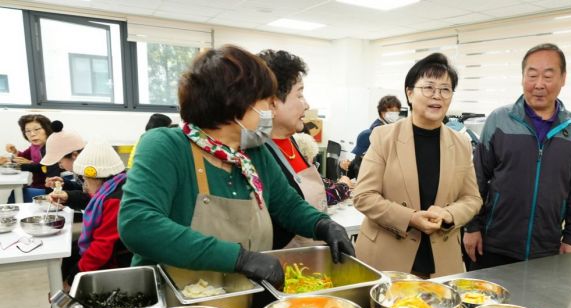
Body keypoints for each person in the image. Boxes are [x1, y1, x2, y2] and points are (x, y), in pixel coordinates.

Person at [118, 45, 353, 288]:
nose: (272, 110)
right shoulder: (165, 145)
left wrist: (323, 225)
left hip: (239, 296)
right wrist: (239, 258)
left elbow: (288, 205)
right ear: (236, 103)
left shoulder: (254, 153)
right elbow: (138, 223)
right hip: (175, 304)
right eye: (267, 101)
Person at [353, 53, 482, 278]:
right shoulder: (384, 137)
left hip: (441, 263)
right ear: (410, 93)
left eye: (445, 89)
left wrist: (448, 215)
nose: (437, 96)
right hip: (386, 259)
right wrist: (410, 218)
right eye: (429, 87)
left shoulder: (461, 142)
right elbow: (364, 196)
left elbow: (472, 199)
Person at [463, 43, 571, 268]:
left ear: (563, 78)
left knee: (539, 304)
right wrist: (471, 227)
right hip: (493, 243)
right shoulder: (499, 121)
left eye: (548, 76)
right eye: (532, 75)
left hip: (547, 248)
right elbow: (476, 179)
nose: (539, 84)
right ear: (522, 78)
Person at [258, 49, 329, 248]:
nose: (307, 105)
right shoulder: (257, 153)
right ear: (272, 103)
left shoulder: (297, 143)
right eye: (300, 95)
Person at [62, 139, 132, 288]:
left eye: (85, 179)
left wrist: (72, 280)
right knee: (70, 251)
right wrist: (67, 197)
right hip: (114, 252)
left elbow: (102, 247)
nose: (85, 185)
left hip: (120, 260)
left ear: (94, 175)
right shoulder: (117, 183)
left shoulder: (115, 201)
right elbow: (94, 200)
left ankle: (64, 302)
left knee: (72, 259)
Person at [341, 95, 402, 179]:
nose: (395, 114)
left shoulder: (389, 128)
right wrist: (344, 166)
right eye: (391, 111)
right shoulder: (378, 130)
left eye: (397, 111)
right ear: (382, 112)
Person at [2, 114, 54, 202]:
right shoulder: (34, 146)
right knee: (16, 192)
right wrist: (15, 152)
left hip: (48, 189)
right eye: (27, 131)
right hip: (36, 185)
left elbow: (48, 168)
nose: (32, 134)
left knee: (16, 195)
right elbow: (23, 157)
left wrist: (30, 163)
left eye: (37, 129)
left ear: (47, 129)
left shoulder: (52, 146)